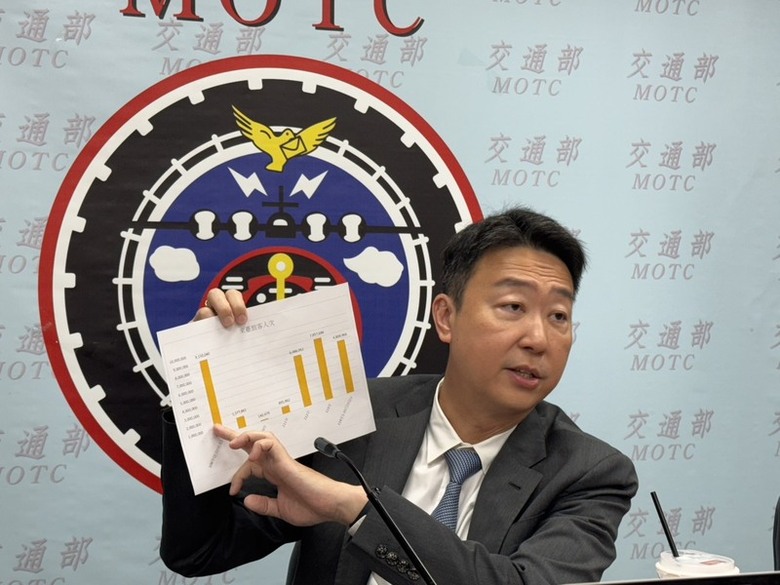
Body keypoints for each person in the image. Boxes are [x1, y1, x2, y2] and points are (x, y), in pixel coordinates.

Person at [160, 206, 638, 585]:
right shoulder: (348, 417)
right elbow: (200, 551)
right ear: (446, 318)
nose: (538, 337)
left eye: (558, 316)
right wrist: (203, 391)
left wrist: (356, 510)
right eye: (513, 306)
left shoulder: (589, 473)